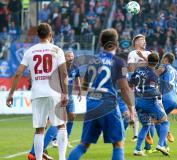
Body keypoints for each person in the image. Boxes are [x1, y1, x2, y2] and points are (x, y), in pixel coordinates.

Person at [67, 28, 135, 160]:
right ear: (116, 43)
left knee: (84, 144)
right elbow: (125, 88)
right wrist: (131, 109)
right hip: (108, 104)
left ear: (101, 43)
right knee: (118, 144)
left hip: (92, 104)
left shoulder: (93, 60)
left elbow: (85, 84)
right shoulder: (119, 61)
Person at [6, 23, 68, 160]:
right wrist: (65, 92)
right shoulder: (57, 50)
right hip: (55, 93)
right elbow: (64, 73)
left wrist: (11, 94)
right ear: (50, 35)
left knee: (40, 129)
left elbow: (18, 74)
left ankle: (38, 158)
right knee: (61, 125)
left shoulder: (30, 51)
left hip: (38, 93)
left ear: (37, 35)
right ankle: (62, 158)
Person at [27, 50, 82, 160]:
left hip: (61, 95)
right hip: (59, 96)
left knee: (60, 121)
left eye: (72, 56)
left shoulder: (74, 67)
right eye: (68, 56)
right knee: (54, 123)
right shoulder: (58, 66)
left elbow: (76, 79)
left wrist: (79, 90)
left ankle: (38, 150)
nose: (70, 58)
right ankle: (39, 150)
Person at [130, 53, 167, 156]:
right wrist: (158, 94)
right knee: (165, 121)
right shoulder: (154, 74)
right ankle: (161, 145)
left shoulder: (138, 70)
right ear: (156, 63)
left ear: (147, 61)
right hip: (149, 102)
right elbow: (151, 91)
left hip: (138, 102)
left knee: (146, 126)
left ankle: (137, 149)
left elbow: (130, 84)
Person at [127, 34, 151, 142]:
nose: (144, 41)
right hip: (135, 85)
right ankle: (136, 134)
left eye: (145, 40)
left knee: (149, 111)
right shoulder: (132, 53)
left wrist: (142, 60)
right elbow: (131, 68)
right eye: (142, 40)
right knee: (135, 110)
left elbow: (154, 65)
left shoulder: (149, 53)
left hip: (148, 86)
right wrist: (144, 64)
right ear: (136, 42)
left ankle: (147, 134)